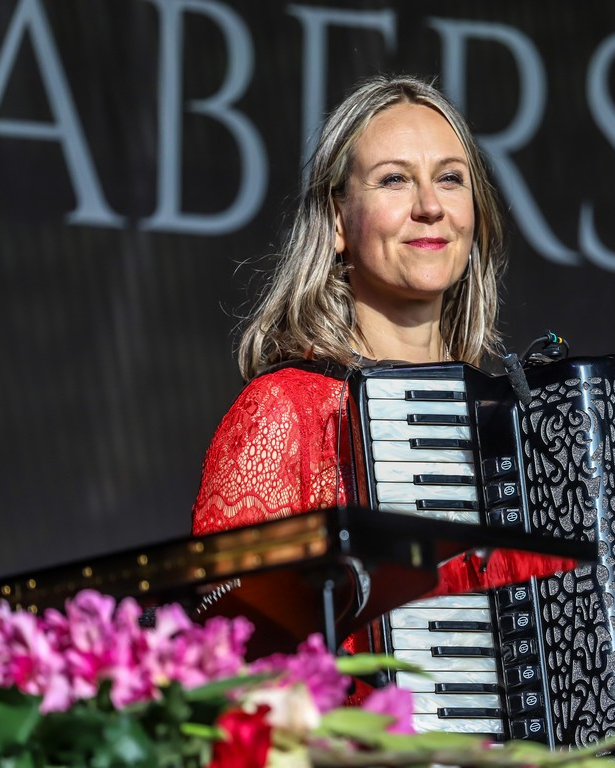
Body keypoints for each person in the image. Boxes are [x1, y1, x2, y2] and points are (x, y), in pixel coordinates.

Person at [192, 74, 573, 598]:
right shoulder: (286, 413)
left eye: (450, 178)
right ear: (337, 221)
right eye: (394, 179)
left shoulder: (516, 423)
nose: (430, 206)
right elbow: (230, 634)